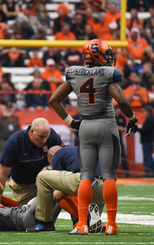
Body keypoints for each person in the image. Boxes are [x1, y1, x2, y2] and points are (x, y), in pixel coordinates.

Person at [49, 39, 138, 235]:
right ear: (98, 56)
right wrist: (131, 119)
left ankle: (82, 223)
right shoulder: (107, 73)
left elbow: (54, 100)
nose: (109, 59)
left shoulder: (74, 73)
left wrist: (70, 122)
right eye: (106, 55)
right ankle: (112, 225)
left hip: (85, 127)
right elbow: (122, 100)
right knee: (109, 177)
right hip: (106, 124)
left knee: (86, 177)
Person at [26, 145, 104, 233]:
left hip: (83, 180)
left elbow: (60, 186)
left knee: (43, 178)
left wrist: (61, 192)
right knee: (72, 191)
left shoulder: (57, 155)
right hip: (102, 186)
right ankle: (86, 220)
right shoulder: (77, 151)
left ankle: (45, 224)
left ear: (52, 154)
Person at [0, 118, 65, 206]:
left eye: (46, 136)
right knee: (23, 216)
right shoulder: (14, 142)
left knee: (68, 192)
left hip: (48, 180)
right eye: (41, 136)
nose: (44, 140)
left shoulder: (51, 135)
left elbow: (63, 157)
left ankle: (80, 219)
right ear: (31, 131)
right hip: (24, 186)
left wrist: (48, 168)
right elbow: (2, 174)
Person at [138, 105, 154, 177]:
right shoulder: (150, 119)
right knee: (149, 156)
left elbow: (145, 130)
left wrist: (137, 129)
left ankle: (148, 172)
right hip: (148, 140)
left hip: (147, 140)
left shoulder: (150, 119)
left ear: (148, 112)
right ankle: (151, 171)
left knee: (147, 156)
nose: (144, 113)